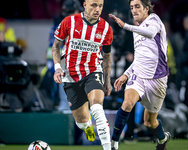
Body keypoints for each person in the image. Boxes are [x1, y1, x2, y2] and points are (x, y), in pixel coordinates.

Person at [109, 0, 171, 150]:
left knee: (149, 122)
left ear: (146, 8)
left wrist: (125, 26)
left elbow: (150, 33)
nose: (134, 10)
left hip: (158, 79)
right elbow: (139, 60)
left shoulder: (154, 20)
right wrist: (126, 74)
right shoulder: (136, 29)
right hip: (139, 76)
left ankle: (163, 139)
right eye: (132, 7)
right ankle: (113, 144)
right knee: (127, 103)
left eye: (137, 6)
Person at [52, 0, 113, 149]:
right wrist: (57, 68)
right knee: (81, 121)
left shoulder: (106, 28)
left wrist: (107, 80)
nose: (97, 9)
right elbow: (56, 46)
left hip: (93, 71)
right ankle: (86, 126)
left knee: (97, 108)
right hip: (70, 76)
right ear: (85, 4)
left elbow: (106, 57)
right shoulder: (69, 21)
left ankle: (108, 147)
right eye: (94, 5)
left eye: (100, 6)